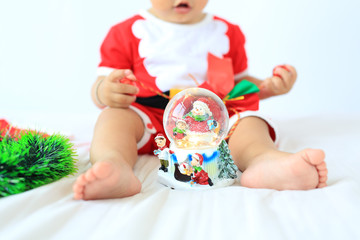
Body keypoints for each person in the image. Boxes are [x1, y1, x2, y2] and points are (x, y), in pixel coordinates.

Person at [73, 0, 328, 200]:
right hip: (148, 116)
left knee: (248, 121)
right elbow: (101, 84)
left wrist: (269, 87)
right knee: (113, 117)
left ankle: (264, 161)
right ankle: (114, 165)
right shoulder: (125, 32)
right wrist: (104, 91)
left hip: (213, 121)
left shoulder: (227, 32)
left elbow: (239, 86)